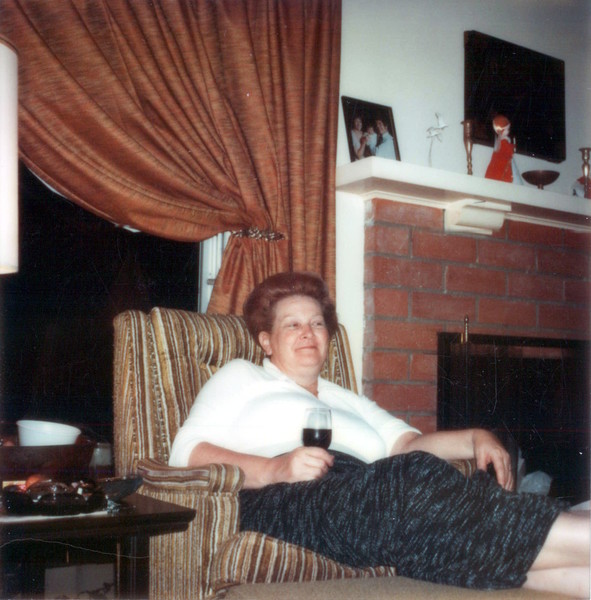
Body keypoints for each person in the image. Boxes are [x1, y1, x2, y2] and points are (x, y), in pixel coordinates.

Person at [170, 272, 590, 597]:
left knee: (427, 511)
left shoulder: (346, 398)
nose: (307, 332)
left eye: (317, 323)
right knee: (414, 478)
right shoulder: (242, 376)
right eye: (292, 324)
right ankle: (579, 530)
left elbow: (405, 444)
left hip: (370, 493)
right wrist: (274, 468)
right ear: (266, 341)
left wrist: (475, 437)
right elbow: (184, 451)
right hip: (284, 501)